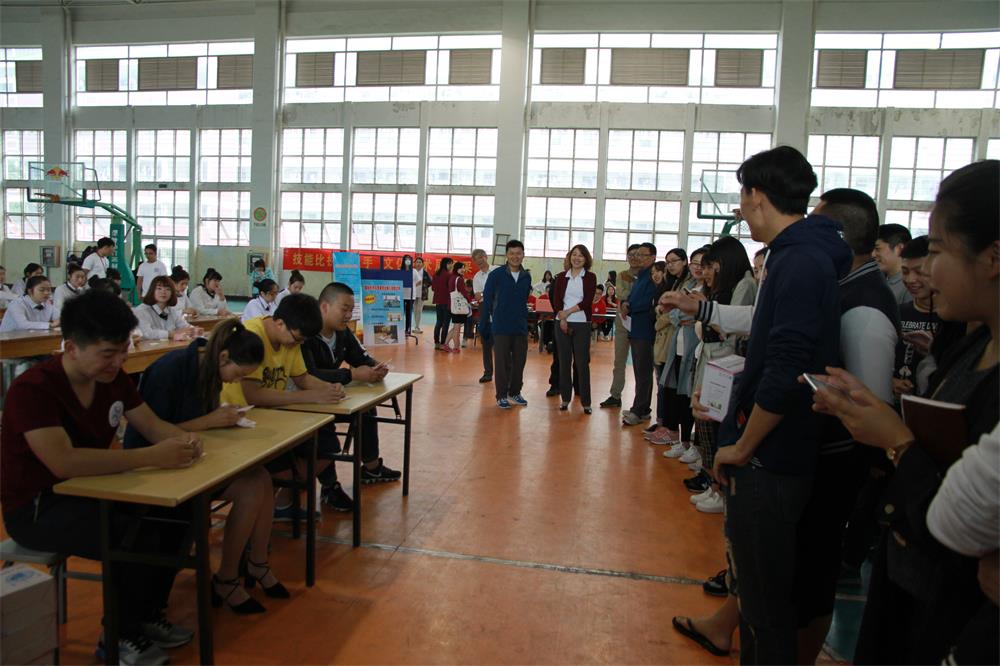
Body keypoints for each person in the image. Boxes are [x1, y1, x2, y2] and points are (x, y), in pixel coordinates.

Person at [667, 147, 851, 663]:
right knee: (759, 591)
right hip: (774, 449)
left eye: (743, 195)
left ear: (757, 195)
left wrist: (743, 446)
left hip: (772, 455)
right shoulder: (799, 256)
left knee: (764, 606)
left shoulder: (799, 262)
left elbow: (787, 367)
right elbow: (770, 335)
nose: (740, 208)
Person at [811, 160, 998, 665]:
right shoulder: (970, 344)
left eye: (936, 251)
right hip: (910, 579)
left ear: (992, 258)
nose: (925, 274)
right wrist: (875, 411)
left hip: (955, 609)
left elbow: (959, 519)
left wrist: (894, 440)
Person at [1, 289, 200, 664]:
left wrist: (185, 441)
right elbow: (64, 463)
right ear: (71, 347)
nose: (119, 361)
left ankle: (146, 615)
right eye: (108, 353)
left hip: (94, 491)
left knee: (177, 517)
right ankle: (118, 637)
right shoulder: (33, 389)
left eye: (123, 351)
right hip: (40, 507)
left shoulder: (113, 379)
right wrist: (150, 456)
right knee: (132, 535)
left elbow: (153, 425)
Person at [123, 319, 289, 614]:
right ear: (224, 357)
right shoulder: (170, 370)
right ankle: (227, 579)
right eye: (238, 375)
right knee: (251, 487)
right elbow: (155, 432)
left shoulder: (210, 368)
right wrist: (210, 421)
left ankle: (255, 564)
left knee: (261, 478)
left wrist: (222, 418)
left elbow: (199, 424)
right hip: (154, 467)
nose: (235, 383)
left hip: (192, 458)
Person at [218, 293, 346, 519]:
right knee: (284, 470)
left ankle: (282, 502)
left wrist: (329, 388)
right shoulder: (252, 336)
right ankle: (271, 504)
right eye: (297, 339)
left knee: (326, 446)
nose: (299, 344)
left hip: (274, 416)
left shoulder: (291, 337)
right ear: (279, 323)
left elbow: (302, 378)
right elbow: (253, 395)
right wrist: (310, 396)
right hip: (240, 418)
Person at [301, 282, 401, 510]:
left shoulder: (343, 332)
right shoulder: (306, 334)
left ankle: (371, 468)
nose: (348, 315)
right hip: (309, 401)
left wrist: (376, 367)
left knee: (366, 409)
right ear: (324, 307)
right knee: (323, 426)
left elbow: (360, 357)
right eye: (344, 309)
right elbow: (309, 374)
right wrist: (352, 374)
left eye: (351, 310)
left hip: (333, 396)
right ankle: (330, 487)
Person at [480, 240, 532, 409]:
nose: (515, 257)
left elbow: (524, 299)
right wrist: (484, 324)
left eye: (518, 253)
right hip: (501, 326)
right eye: (512, 253)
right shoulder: (496, 275)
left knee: (519, 362)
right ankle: (501, 395)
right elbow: (487, 300)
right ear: (507, 255)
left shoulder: (526, 276)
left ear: (523, 255)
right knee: (502, 363)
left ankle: (515, 392)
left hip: (520, 326)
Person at [648, 250, 690, 443]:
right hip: (668, 340)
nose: (670, 265)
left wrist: (661, 318)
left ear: (685, 261)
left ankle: (674, 431)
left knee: (676, 389)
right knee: (665, 385)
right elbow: (664, 307)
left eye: (674, 261)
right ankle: (665, 424)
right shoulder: (672, 283)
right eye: (668, 262)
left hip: (677, 338)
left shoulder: (688, 284)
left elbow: (678, 311)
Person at [551, 244, 597, 413]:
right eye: (574, 254)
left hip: (581, 323)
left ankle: (586, 402)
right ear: (570, 257)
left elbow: (587, 301)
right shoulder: (561, 277)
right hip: (561, 322)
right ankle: (565, 399)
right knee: (563, 362)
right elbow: (556, 299)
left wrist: (568, 312)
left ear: (586, 259)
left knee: (582, 363)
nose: (577, 258)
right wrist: (562, 318)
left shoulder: (590, 277)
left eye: (581, 255)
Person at [893, 236, 939, 399]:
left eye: (919, 272)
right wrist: (890, 381)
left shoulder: (954, 320)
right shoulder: (896, 312)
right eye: (905, 272)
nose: (911, 280)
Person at [600, 244, 643, 409]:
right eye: (630, 254)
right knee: (619, 361)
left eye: (637, 254)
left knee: (640, 364)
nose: (633, 257)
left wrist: (631, 298)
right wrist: (634, 296)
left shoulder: (648, 275)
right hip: (623, 323)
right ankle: (615, 395)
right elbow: (621, 293)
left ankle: (640, 402)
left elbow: (639, 296)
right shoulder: (622, 275)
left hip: (641, 323)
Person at [620, 242, 658, 426]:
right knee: (639, 371)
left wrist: (631, 306)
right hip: (635, 328)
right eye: (637, 254)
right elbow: (633, 297)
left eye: (643, 255)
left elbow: (649, 301)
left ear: (653, 257)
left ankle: (638, 410)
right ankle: (643, 409)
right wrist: (626, 302)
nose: (639, 258)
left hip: (645, 330)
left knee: (643, 372)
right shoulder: (640, 276)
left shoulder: (652, 276)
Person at [132, 276, 202, 341]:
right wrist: (171, 333)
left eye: (167, 289)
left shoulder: (172, 311)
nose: (163, 292)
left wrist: (194, 330)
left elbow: (184, 325)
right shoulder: (141, 311)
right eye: (159, 288)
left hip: (168, 346)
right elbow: (146, 333)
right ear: (152, 291)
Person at [471, 249, 500, 382]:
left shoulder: (497, 270)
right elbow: (478, 296)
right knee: (486, 341)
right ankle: (488, 372)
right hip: (484, 308)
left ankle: (503, 373)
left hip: (499, 307)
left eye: (481, 257)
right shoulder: (476, 277)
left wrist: (485, 292)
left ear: (486, 257)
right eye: (476, 259)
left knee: (501, 342)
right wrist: (489, 292)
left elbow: (502, 288)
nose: (480, 260)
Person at [873, 223, 913, 305]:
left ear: (899, 249)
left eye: (877, 249)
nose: (873, 254)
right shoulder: (878, 279)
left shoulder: (910, 286)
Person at [445, 262, 472, 353]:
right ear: (457, 269)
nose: (463, 270)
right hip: (459, 306)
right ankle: (456, 347)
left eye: (464, 268)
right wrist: (469, 300)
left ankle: (446, 344)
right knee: (457, 327)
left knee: (456, 326)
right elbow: (463, 292)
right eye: (461, 268)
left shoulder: (452, 277)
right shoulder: (459, 279)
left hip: (453, 305)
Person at [432, 257, 454, 350]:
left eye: (452, 263)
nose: (451, 265)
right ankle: (443, 343)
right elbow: (452, 289)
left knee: (439, 322)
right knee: (445, 323)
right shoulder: (449, 275)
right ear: (445, 264)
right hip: (447, 302)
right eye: (450, 263)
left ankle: (436, 342)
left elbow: (433, 288)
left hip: (438, 301)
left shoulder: (436, 274)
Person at [412, 256, 429, 333]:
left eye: (420, 262)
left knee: (419, 310)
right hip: (413, 293)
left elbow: (430, 282)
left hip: (421, 294)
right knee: (415, 310)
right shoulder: (412, 271)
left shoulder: (425, 273)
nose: (418, 264)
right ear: (414, 263)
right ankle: (416, 325)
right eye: (417, 262)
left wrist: (424, 287)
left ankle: (417, 326)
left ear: (422, 264)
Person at [400, 255, 415, 335]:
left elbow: (419, 281)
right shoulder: (400, 271)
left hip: (410, 296)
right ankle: (399, 329)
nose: (407, 261)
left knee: (408, 314)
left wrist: (413, 285)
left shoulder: (414, 271)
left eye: (409, 259)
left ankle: (407, 329)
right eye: (406, 259)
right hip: (401, 295)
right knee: (400, 313)